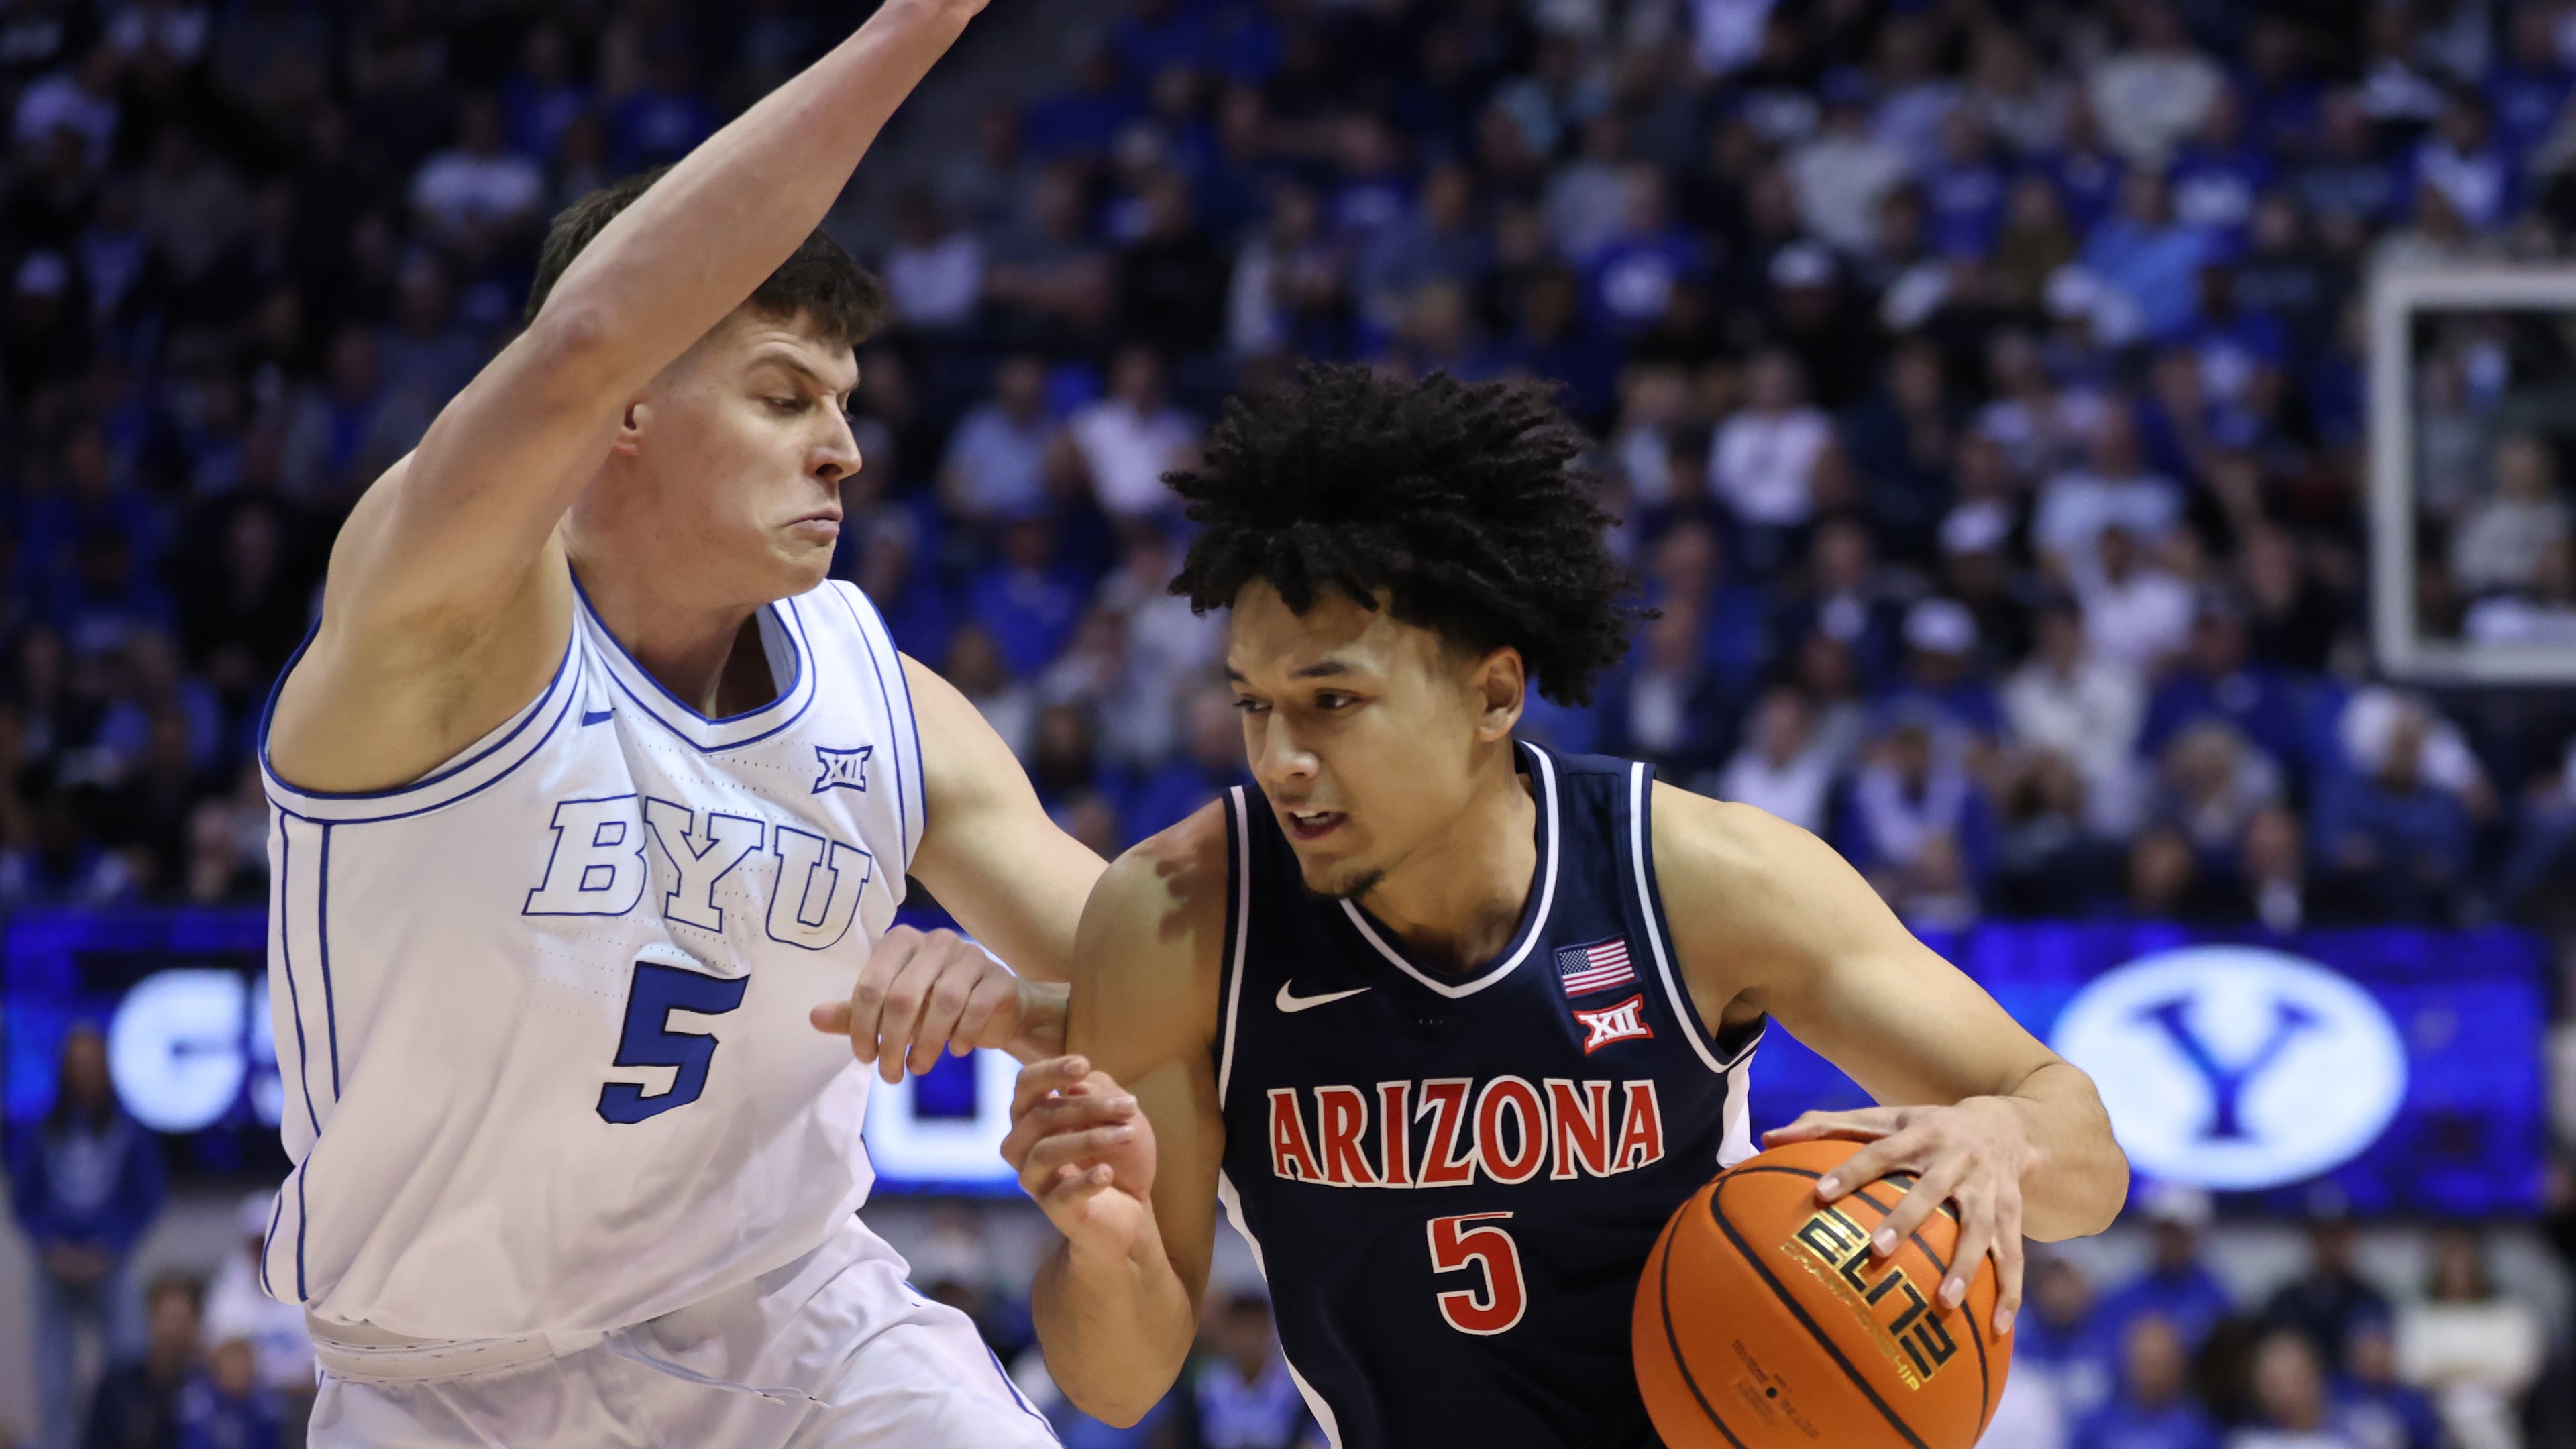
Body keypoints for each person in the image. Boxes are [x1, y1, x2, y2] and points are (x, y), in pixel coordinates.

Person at [252, 5, 1105, 1445]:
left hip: (799, 1325)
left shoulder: (883, 701)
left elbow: (1159, 983)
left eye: (843, 404)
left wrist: (1010, 1011)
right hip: (440, 1380)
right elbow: (587, 331)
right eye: (783, 397)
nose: (843, 447)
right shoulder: (446, 621)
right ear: (625, 413)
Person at [1002, 368, 2128, 1444]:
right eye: (1254, 705)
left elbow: (2087, 1165)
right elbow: (1119, 1383)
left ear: (1494, 693)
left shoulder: (1701, 879)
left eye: (1332, 701)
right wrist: (1106, 1248)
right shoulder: (1177, 916)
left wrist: (2003, 1134)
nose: (1280, 758)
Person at [9, 1023, 167, 1449]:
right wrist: (52, 1246)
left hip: (109, 1264)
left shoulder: (130, 1130)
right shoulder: (42, 1131)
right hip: (54, 1266)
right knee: (54, 1373)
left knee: (128, 1358)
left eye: (92, 1063)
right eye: (76, 1064)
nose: (85, 1073)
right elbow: (24, 1201)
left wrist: (109, 1248)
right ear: (64, 1070)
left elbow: (148, 1198)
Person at [2395, 1230, 2544, 1449]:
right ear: (2438, 1268)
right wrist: (2481, 1370)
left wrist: (2452, 1371)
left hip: (2502, 1409)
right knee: (2464, 1407)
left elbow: (2521, 1371)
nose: (2458, 1272)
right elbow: (2411, 1370)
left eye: (2465, 1265)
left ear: (2479, 1267)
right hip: (2434, 1414)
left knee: (2475, 1407)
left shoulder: (2510, 1315)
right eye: (2451, 1265)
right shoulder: (2419, 1316)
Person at [201, 1192, 313, 1424]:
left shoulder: (312, 1287)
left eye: (273, 1242)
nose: (265, 1252)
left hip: (303, 1403)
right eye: (258, 1244)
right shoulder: (228, 1292)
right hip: (247, 1405)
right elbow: (216, 1358)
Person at [1164, 1291, 1328, 1449]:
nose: (1249, 1339)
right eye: (1242, 1329)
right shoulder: (1205, 1389)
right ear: (1227, 1334)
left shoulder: (1297, 1390)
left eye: (1257, 1328)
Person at [80, 1273, 203, 1449]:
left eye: (180, 1320)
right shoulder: (116, 1386)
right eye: (166, 1318)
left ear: (194, 1325)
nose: (172, 1331)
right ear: (151, 1319)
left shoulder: (207, 1390)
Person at [2071, 1314, 2222, 1449]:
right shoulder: (2094, 1427)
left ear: (2178, 1367)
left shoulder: (2199, 1430)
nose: (2149, 1374)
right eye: (2142, 1361)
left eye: (2158, 1363)